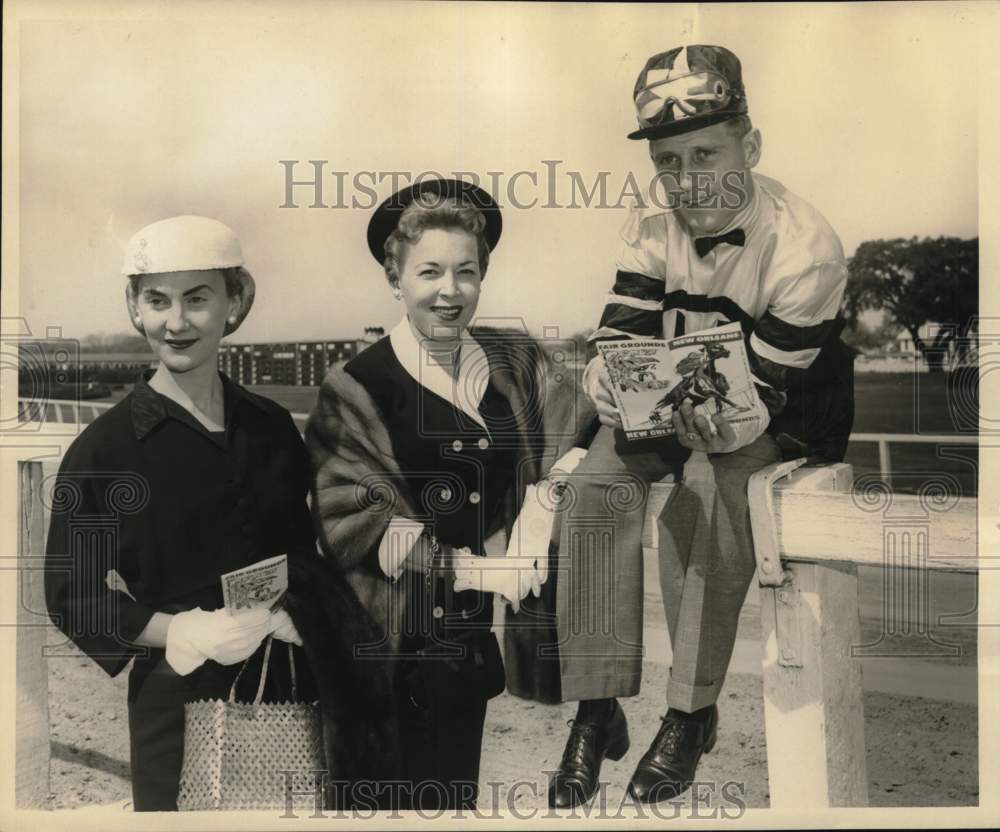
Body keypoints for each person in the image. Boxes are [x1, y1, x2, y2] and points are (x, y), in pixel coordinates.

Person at [543, 44, 855, 807]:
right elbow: (620, 337)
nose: (688, 181)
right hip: (671, 403)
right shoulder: (651, 227)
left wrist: (702, 425)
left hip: (775, 414)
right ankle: (596, 708)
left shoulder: (806, 245)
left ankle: (690, 711)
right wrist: (606, 382)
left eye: (707, 153)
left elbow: (759, 402)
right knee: (592, 492)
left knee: (713, 488)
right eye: (670, 162)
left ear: (750, 146)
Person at [305, 179, 592, 810]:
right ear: (395, 277)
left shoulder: (514, 362)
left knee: (450, 807)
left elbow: (582, 431)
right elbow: (358, 522)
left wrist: (546, 504)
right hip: (377, 653)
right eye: (429, 271)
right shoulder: (355, 386)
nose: (449, 290)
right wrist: (484, 571)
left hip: (462, 649)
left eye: (466, 271)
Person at [44, 215, 313, 811]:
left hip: (288, 682)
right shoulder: (104, 449)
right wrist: (182, 630)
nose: (177, 321)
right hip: (175, 696)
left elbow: (304, 550)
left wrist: (302, 612)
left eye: (197, 299)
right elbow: (71, 593)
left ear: (234, 302)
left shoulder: (271, 427)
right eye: (157, 300)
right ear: (134, 307)